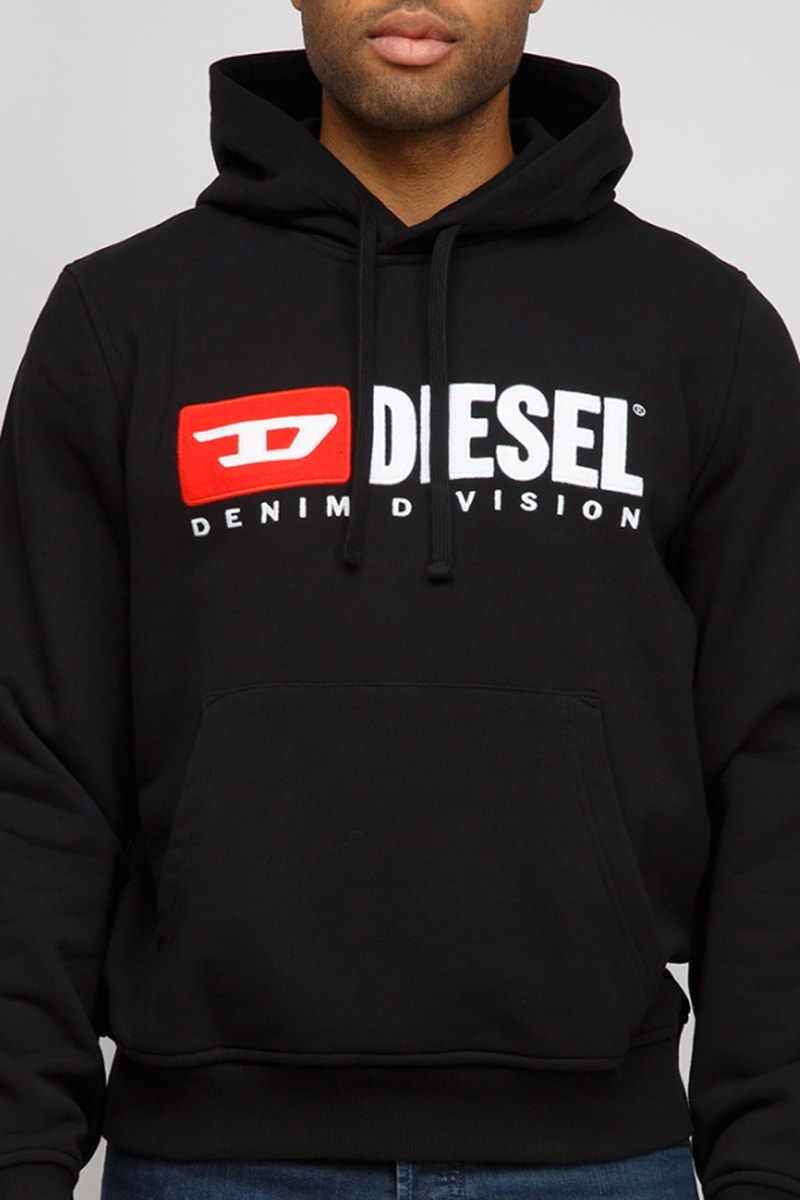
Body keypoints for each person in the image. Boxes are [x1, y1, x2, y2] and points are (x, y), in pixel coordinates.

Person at [1, 0, 799, 1197]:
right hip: (211, 1159)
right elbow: (34, 756)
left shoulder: (701, 328)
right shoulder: (120, 319)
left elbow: (773, 759)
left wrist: (768, 1163)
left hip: (594, 1160)